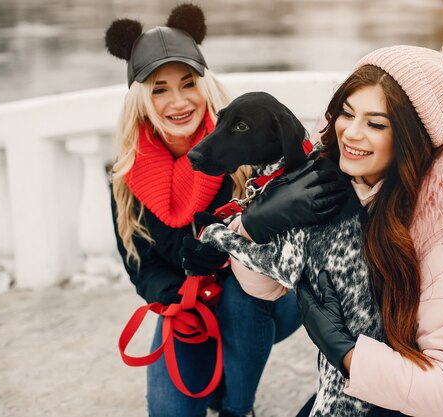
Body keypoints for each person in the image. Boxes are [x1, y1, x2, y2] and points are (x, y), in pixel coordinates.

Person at [220, 45, 443, 417]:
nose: (351, 134)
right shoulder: (330, 183)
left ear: (409, 137)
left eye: (376, 123)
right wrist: (255, 227)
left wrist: (347, 353)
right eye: (346, 113)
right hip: (397, 346)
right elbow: (267, 287)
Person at [105, 4, 345, 417]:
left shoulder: (247, 146)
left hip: (262, 300)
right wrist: (180, 299)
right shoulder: (126, 175)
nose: (178, 101)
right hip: (189, 309)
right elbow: (141, 268)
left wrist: (246, 231)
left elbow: (294, 236)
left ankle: (238, 408)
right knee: (170, 412)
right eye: (159, 88)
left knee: (241, 287)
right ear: (141, 99)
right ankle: (219, 378)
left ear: (205, 85)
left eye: (188, 83)